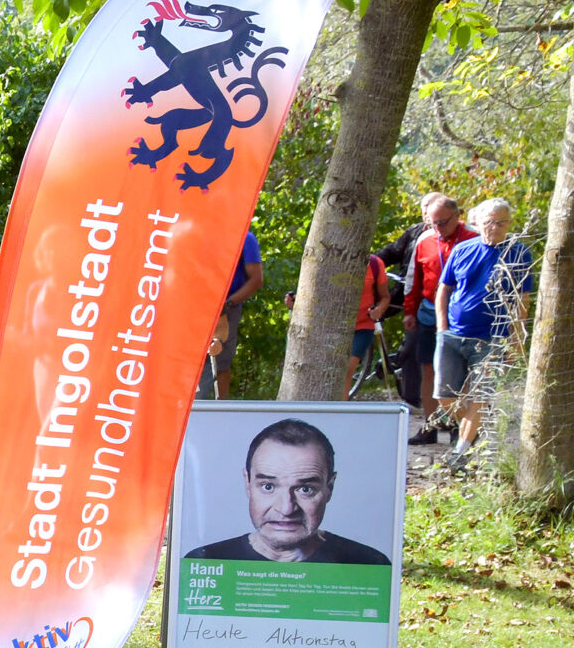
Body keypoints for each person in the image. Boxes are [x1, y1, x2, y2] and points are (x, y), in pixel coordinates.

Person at [185, 418, 390, 566]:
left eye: (305, 489)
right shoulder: (205, 563)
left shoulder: (368, 565)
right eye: (268, 487)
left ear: (330, 488)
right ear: (248, 484)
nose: (286, 508)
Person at [434, 198, 538, 460]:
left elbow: (522, 300)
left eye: (502, 222)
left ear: (509, 224)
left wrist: (516, 339)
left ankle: (461, 451)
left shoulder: (518, 253)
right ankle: (473, 429)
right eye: (489, 221)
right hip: (453, 334)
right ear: (477, 223)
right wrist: (441, 327)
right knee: (444, 397)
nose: (495, 227)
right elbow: (444, 290)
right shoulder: (462, 249)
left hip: (493, 337)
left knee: (480, 396)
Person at [380, 193, 466, 421]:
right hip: (427, 311)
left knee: (456, 370)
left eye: (442, 222)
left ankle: (459, 425)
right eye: (433, 222)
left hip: (460, 314)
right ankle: (430, 423)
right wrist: (410, 311)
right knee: (425, 364)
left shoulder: (472, 238)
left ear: (457, 215)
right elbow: (413, 278)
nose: (437, 228)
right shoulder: (423, 237)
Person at [211, 230, 264, 399]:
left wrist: (229, 304)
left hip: (226, 308)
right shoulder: (199, 231)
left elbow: (256, 279)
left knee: (221, 360)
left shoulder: (245, 237)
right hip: (195, 305)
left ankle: (219, 407)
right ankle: (188, 410)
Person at [342, 243, 392, 399]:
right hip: (334, 326)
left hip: (363, 325)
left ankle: (339, 412)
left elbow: (385, 297)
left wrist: (379, 310)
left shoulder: (374, 263)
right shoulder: (330, 262)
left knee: (346, 370)